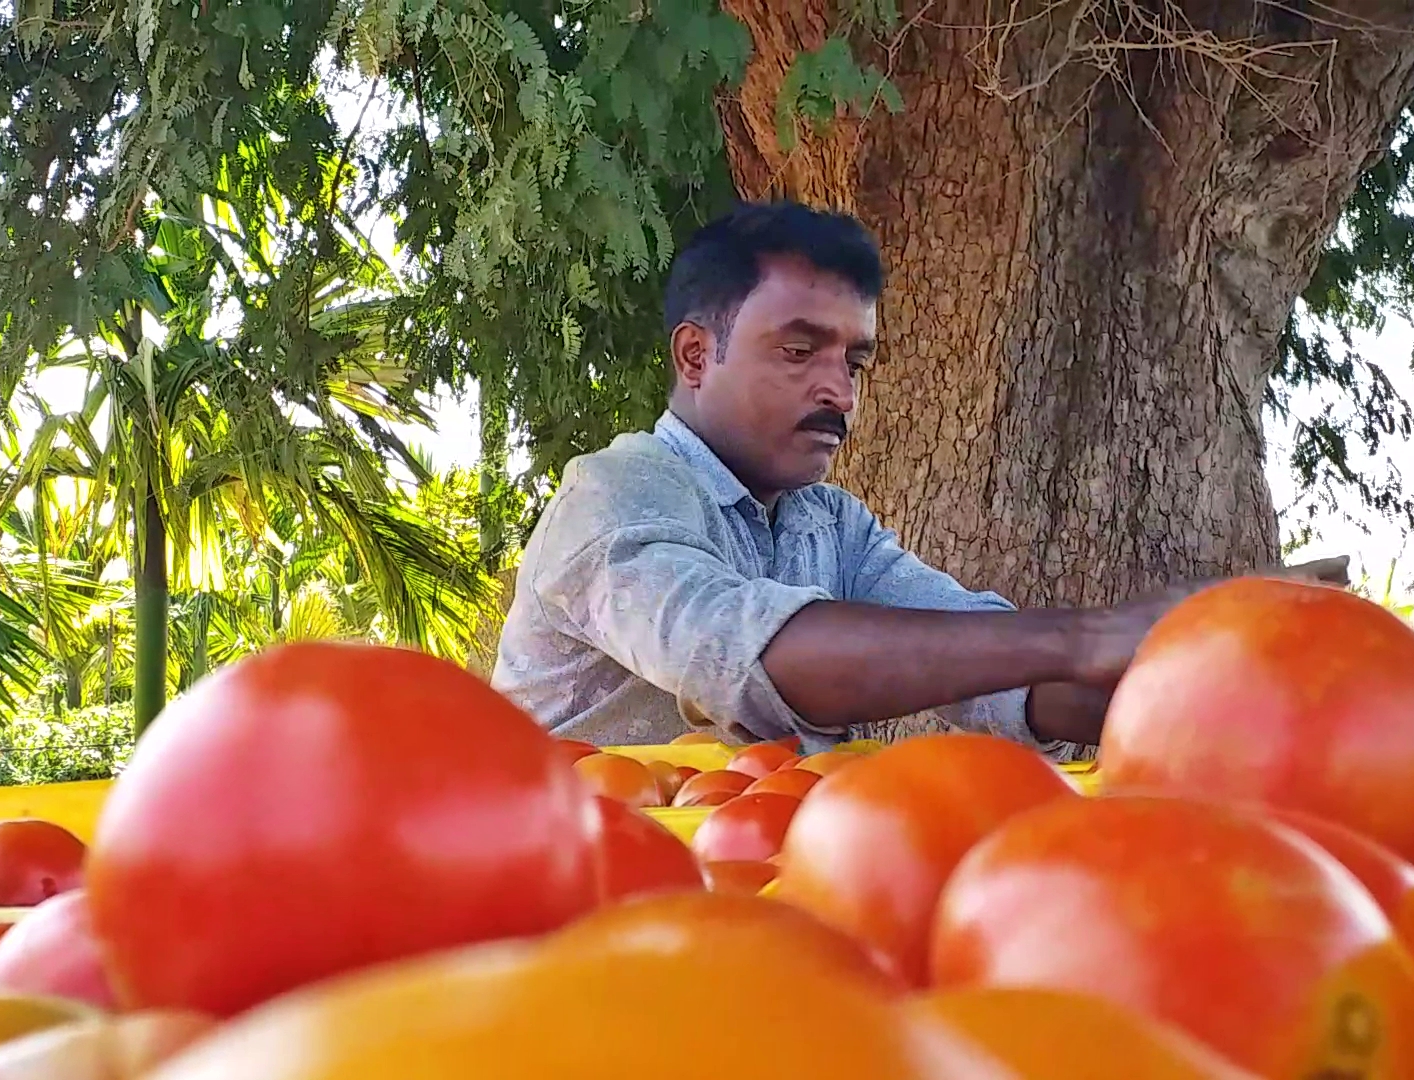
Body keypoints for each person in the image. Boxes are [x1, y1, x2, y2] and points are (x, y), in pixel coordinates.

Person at [490, 201, 1348, 757]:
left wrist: (1204, 686)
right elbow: (742, 653)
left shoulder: (831, 527)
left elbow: (993, 671)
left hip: (754, 912)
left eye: (854, 359)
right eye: (799, 351)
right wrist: (1093, 634)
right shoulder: (612, 496)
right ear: (696, 354)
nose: (839, 390)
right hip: (581, 927)